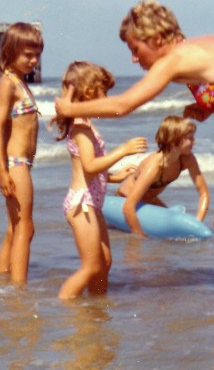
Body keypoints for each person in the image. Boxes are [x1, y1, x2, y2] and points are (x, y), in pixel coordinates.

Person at [55, 0, 214, 308]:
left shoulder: (175, 59)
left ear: (155, 39)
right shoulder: (211, 44)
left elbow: (123, 104)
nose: (134, 59)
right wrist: (207, 107)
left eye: (135, 49)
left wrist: (68, 109)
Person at [55, 61, 147, 300]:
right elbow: (89, 165)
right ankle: (63, 305)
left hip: (92, 204)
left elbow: (91, 171)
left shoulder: (87, 124)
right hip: (81, 204)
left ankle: (96, 307)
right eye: (104, 92)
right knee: (91, 266)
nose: (107, 99)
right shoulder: (81, 127)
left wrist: (115, 176)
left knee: (104, 261)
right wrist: (123, 150)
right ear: (88, 93)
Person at [0, 22, 44, 285]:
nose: (34, 60)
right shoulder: (8, 83)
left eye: (37, 55)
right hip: (16, 164)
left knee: (15, 228)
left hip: (21, 164)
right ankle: (19, 289)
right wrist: (2, 171)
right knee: (26, 227)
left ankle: (4, 280)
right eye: (28, 55)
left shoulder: (20, 83)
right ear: (10, 52)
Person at [115, 116, 209, 238]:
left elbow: (204, 193)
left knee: (175, 229)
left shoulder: (187, 159)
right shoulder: (154, 166)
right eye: (190, 138)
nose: (194, 142)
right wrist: (140, 237)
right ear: (175, 140)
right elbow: (128, 206)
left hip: (150, 201)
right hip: (123, 200)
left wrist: (198, 223)